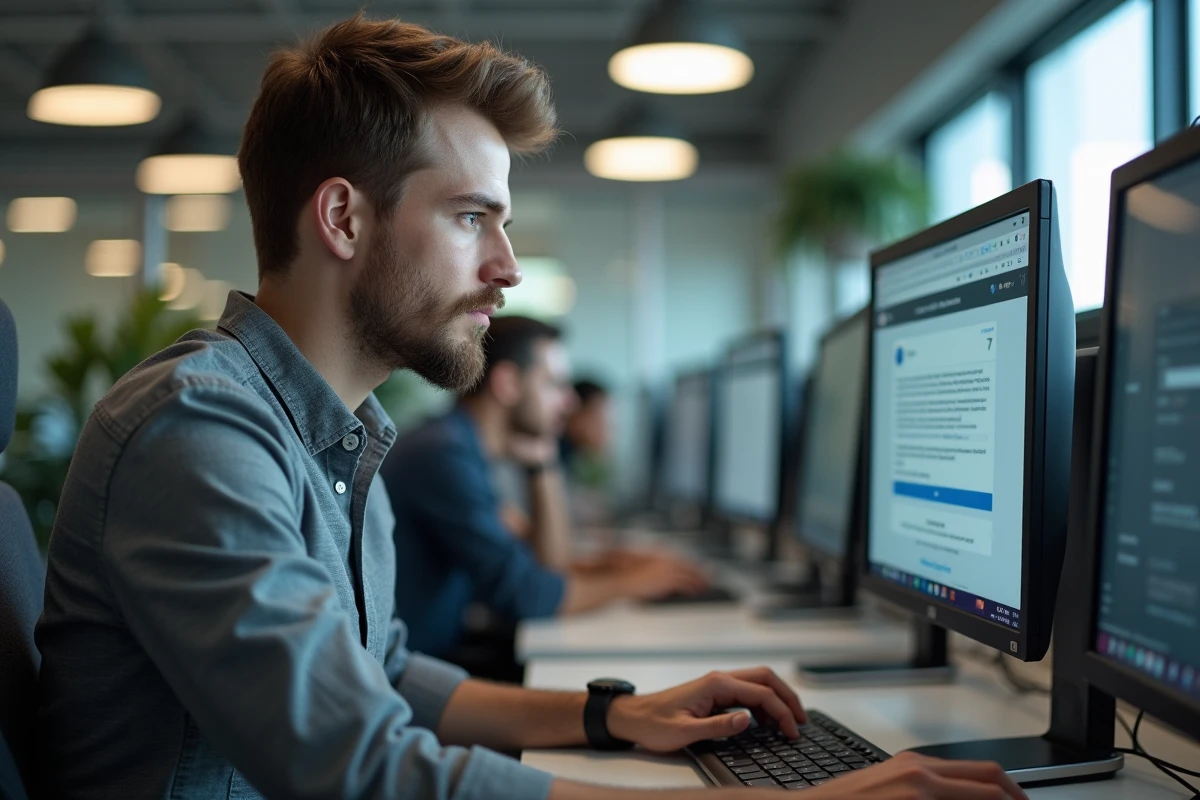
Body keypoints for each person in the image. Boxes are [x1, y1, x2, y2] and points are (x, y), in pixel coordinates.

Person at [33, 14, 1026, 800]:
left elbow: (380, 675)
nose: (506, 270)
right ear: (343, 217)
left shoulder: (340, 434)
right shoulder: (198, 429)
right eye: (473, 219)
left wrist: (614, 715)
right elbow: (357, 763)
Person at [381, 316, 706, 664]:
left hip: (440, 652)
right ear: (507, 383)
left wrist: (542, 464)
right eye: (553, 384)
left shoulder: (462, 446)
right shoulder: (443, 456)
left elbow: (546, 560)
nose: (568, 404)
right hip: (418, 670)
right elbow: (529, 596)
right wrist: (637, 582)